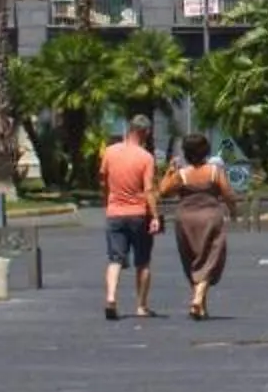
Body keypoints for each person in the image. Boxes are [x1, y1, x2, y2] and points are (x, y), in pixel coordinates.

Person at [157, 133, 236, 320]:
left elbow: (162, 191)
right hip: (210, 218)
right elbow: (228, 194)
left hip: (185, 220)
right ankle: (198, 297)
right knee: (211, 258)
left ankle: (200, 306)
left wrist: (169, 171)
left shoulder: (182, 174)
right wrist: (233, 211)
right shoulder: (215, 171)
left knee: (192, 258)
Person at [98, 116, 159, 322]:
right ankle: (141, 306)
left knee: (115, 259)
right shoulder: (146, 158)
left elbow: (103, 181)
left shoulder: (110, 152)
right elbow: (149, 189)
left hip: (115, 212)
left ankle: (111, 297)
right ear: (145, 132)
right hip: (138, 214)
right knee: (142, 261)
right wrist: (155, 216)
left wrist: (108, 201)